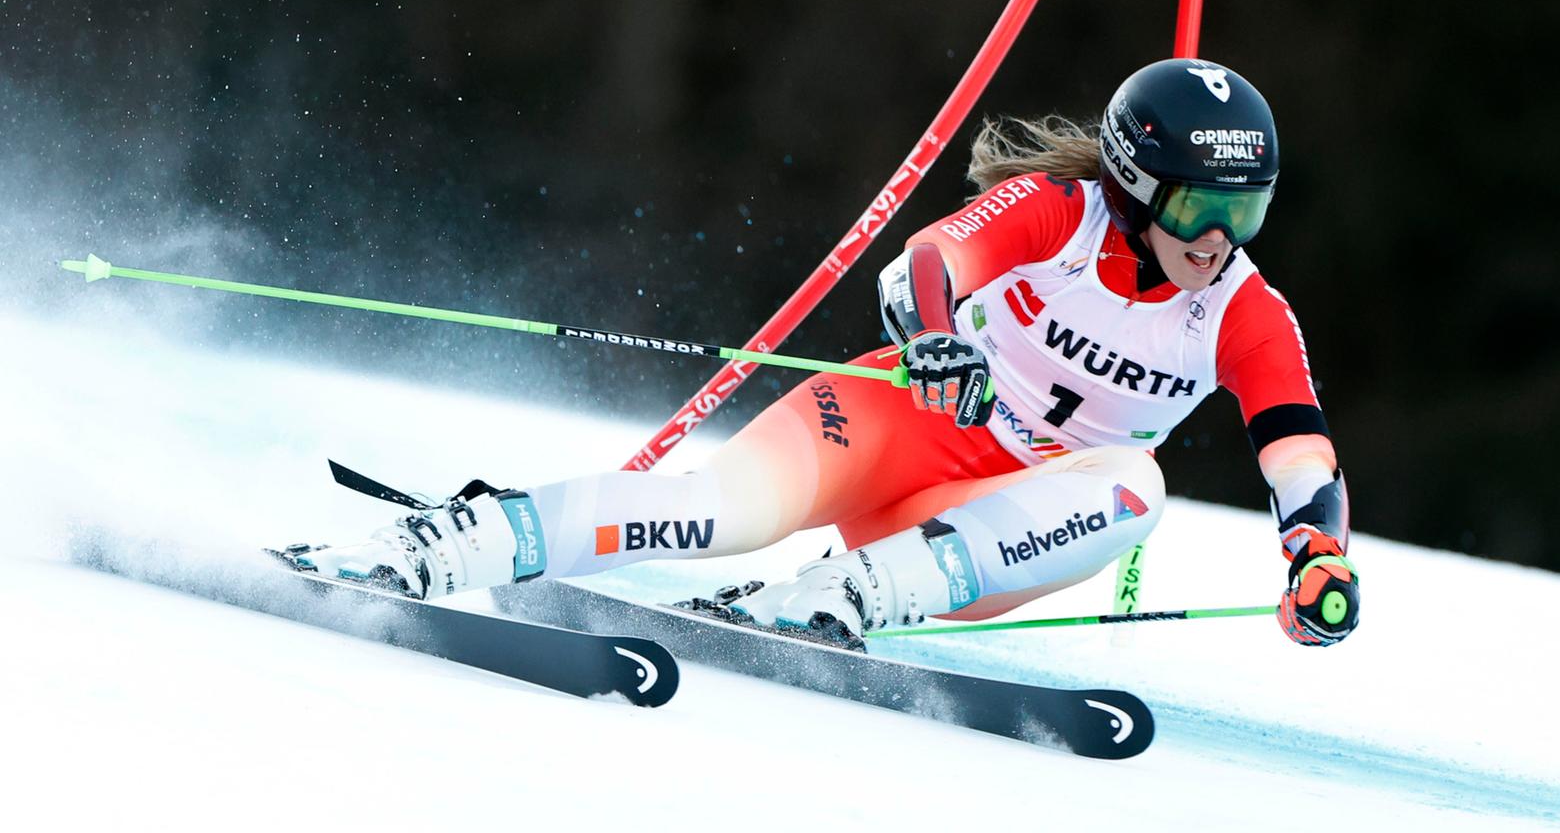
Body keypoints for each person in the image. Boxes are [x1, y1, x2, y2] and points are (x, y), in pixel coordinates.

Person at [290, 59, 1358, 648]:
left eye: (1247, 211)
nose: (1219, 239)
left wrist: (1315, 553)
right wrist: (937, 342)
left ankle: (842, 596)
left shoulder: (1243, 310)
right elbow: (925, 264)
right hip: (900, 422)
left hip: (992, 527)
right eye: (1201, 205)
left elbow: (1299, 449)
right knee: (719, 513)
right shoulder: (1058, 212)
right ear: (1133, 184)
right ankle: (449, 543)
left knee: (1134, 485)